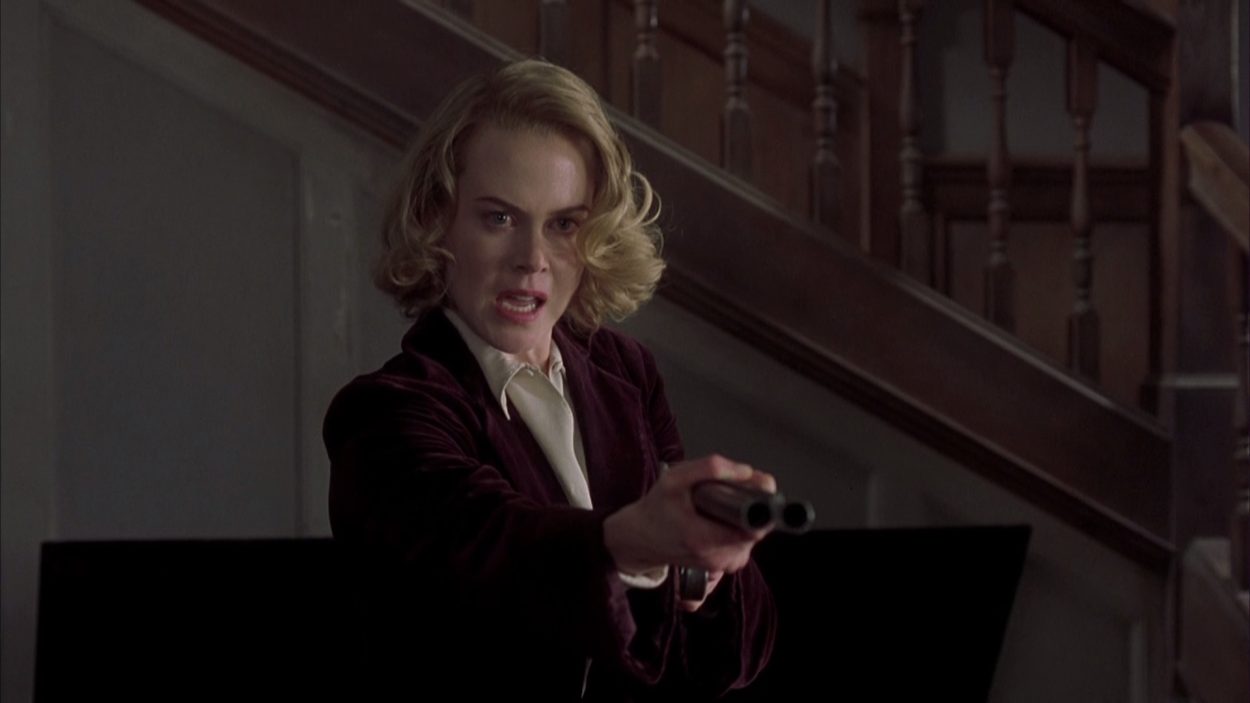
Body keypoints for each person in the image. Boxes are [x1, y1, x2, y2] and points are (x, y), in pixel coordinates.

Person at [323, 59, 776, 700]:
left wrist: (707, 567)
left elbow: (730, 660)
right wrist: (637, 542)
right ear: (438, 221)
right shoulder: (384, 414)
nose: (532, 259)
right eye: (499, 218)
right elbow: (497, 552)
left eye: (564, 224)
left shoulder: (626, 371)